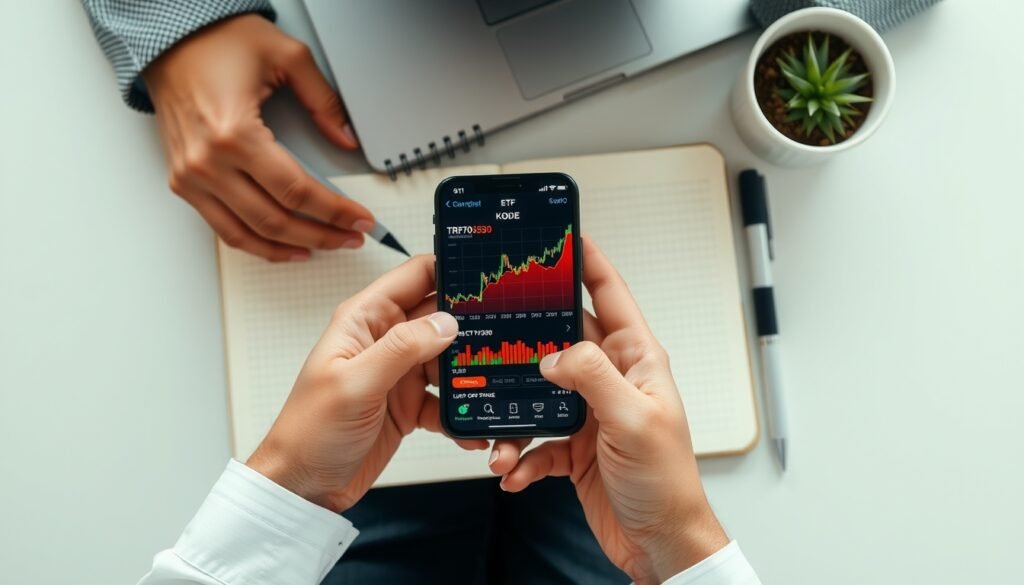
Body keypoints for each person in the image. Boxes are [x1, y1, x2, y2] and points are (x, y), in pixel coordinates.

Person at [136, 239, 761, 585]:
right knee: (545, 488)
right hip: (604, 509)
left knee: (443, 498)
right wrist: (671, 541)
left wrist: (298, 485)